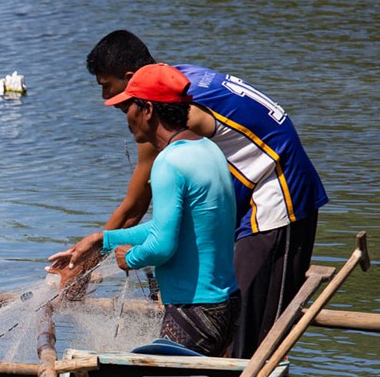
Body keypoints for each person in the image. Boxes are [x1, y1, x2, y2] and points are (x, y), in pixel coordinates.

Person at [60, 30, 327, 357]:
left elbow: (137, 208)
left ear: (133, 86)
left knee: (252, 328)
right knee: (231, 314)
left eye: (107, 87)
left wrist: (86, 262)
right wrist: (96, 246)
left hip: (281, 195)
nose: (107, 101)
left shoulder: (175, 115)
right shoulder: (175, 86)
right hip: (248, 197)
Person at [51, 65, 240, 357]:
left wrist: (131, 258)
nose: (126, 117)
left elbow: (162, 246)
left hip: (192, 311)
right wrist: (102, 239)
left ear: (147, 109)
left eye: (128, 107)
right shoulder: (209, 150)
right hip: (223, 305)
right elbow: (168, 227)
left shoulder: (169, 162)